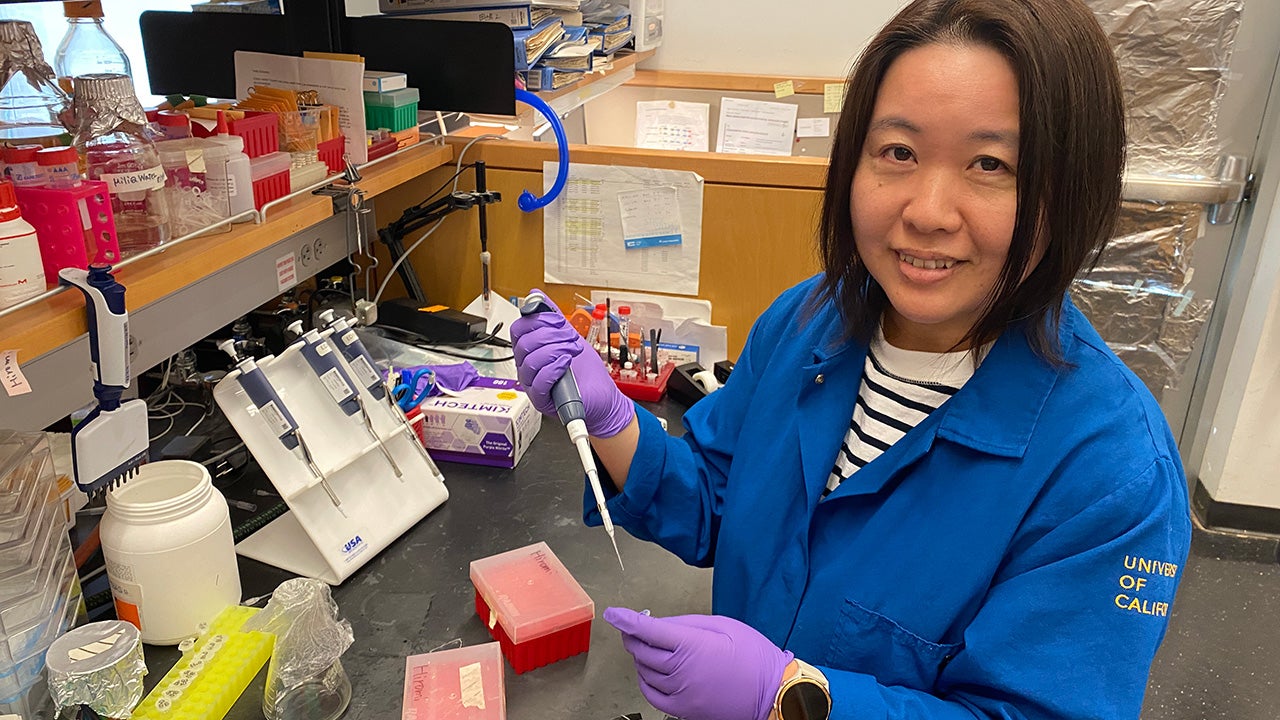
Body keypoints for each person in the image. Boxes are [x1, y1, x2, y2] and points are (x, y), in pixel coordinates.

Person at [511, 0, 1192, 718]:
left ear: (1072, 187)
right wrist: (614, 420)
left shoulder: (1111, 473)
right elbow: (720, 504)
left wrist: (790, 698)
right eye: (898, 152)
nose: (928, 210)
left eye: (991, 164)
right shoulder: (808, 320)